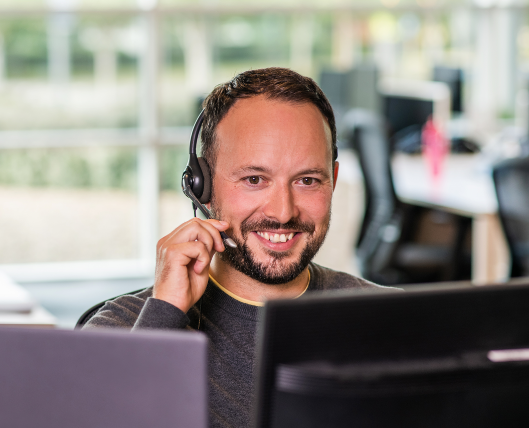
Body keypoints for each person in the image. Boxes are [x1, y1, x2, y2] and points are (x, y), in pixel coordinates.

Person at [81, 67, 393, 428]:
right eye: (254, 179)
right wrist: (163, 317)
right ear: (203, 187)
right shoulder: (122, 330)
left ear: (333, 182)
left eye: (307, 180)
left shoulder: (394, 322)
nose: (282, 211)